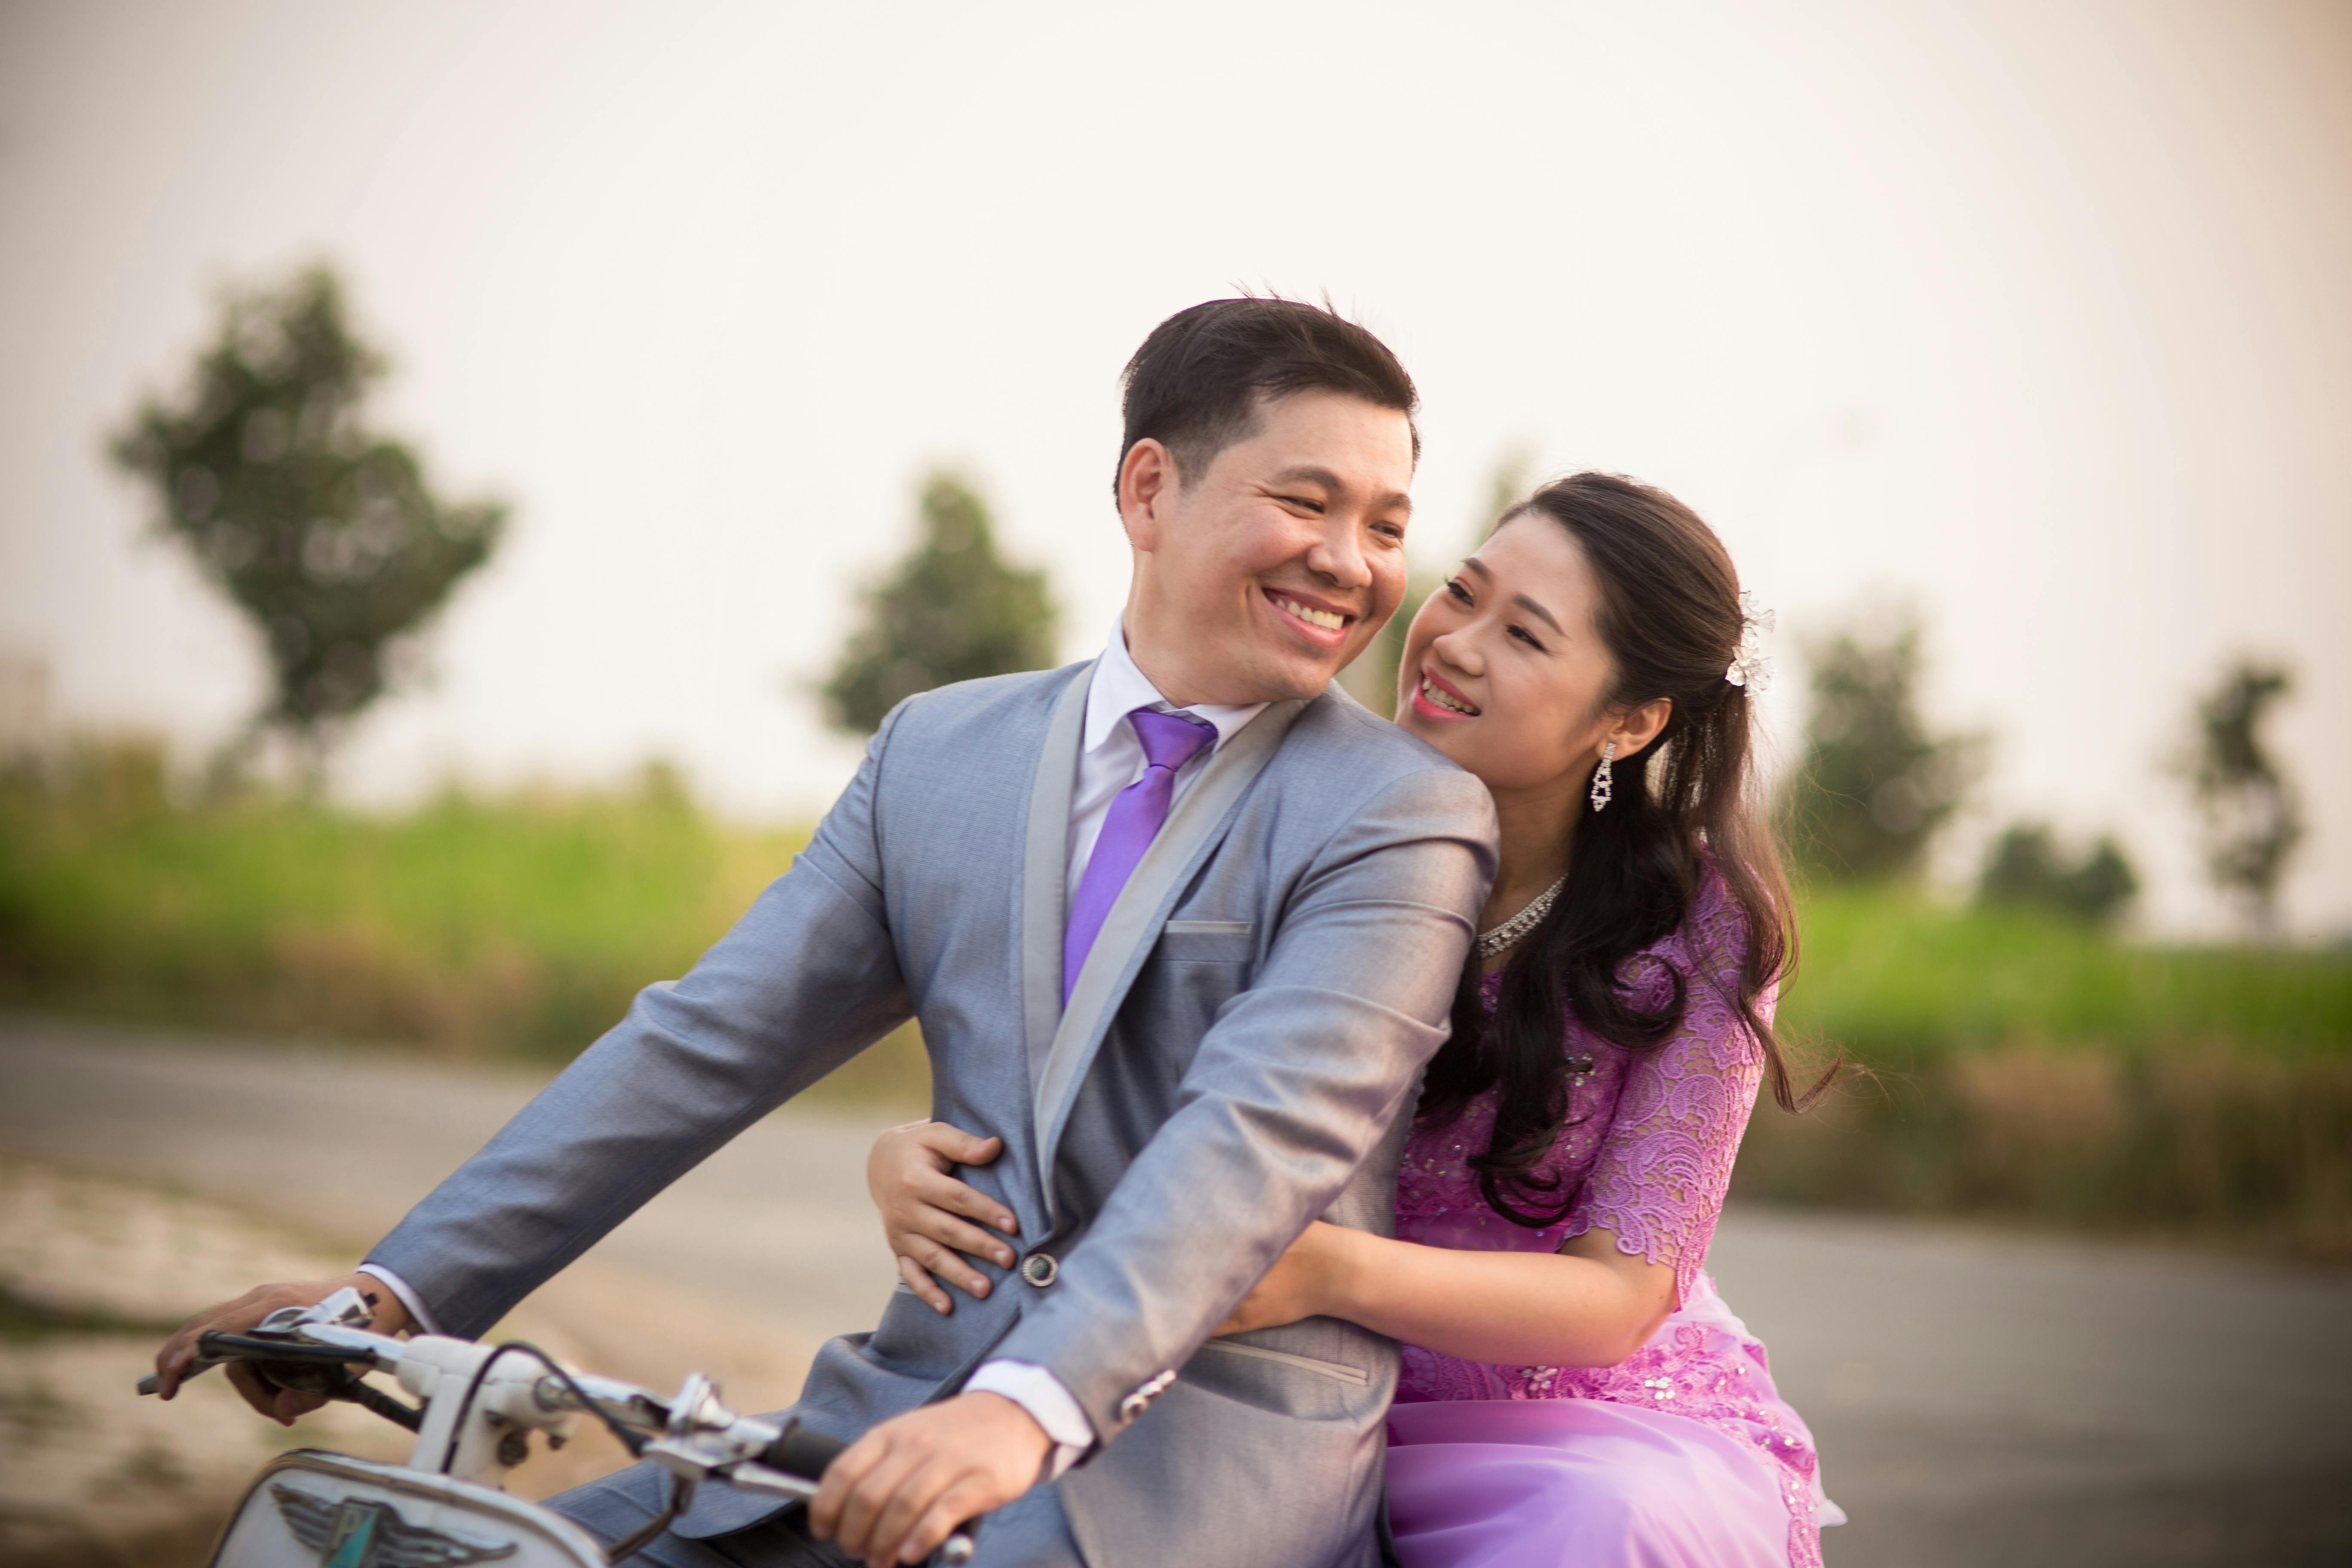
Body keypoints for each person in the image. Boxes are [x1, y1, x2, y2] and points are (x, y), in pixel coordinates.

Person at [152, 297, 1499, 1568]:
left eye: (1388, 523)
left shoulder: (1401, 814)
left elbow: (1251, 1143)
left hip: (1188, 1482)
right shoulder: (938, 752)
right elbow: (705, 1042)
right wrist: (394, 1293)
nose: (1356, 562)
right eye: (1306, 501)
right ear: (1151, 490)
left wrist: (1026, 1407)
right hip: (883, 1422)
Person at [868, 472, 1843, 1567]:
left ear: (1630, 721)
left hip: (1579, 1434)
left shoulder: (1704, 927)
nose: (1454, 643)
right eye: (1463, 592)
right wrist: (922, 1158)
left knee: (1599, 1526)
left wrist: (1324, 1270)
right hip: (1282, 1384)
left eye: (1522, 634)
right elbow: (1094, 1073)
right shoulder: (1280, 807)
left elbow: (1621, 1299)